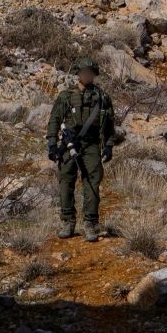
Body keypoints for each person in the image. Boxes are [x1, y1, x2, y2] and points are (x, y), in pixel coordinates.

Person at [46, 57, 115, 241]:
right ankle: (68, 221)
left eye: (90, 72)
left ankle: (90, 223)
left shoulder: (102, 98)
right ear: (78, 73)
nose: (87, 75)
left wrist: (108, 146)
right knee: (66, 181)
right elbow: (54, 120)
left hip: (91, 145)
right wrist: (52, 144)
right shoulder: (66, 96)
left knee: (92, 182)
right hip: (69, 144)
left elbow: (109, 126)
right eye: (84, 72)